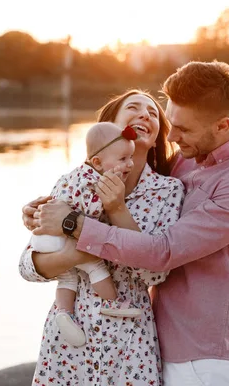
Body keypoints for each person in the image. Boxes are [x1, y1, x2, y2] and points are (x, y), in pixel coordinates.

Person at [24, 61, 229, 386]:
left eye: (183, 129)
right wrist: (42, 218)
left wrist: (73, 225)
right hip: (145, 338)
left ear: (222, 125)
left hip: (200, 353)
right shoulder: (187, 155)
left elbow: (163, 251)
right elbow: (31, 261)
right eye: (170, 123)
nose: (173, 137)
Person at [19, 90, 185, 385]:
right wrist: (77, 254)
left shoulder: (168, 191)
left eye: (153, 112)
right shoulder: (71, 182)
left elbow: (154, 273)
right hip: (70, 333)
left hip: (129, 339)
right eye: (133, 107)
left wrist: (117, 209)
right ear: (110, 126)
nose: (145, 114)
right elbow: (28, 267)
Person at [28, 122, 142, 347]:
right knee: (95, 265)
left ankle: (64, 312)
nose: (130, 163)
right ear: (97, 162)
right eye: (123, 159)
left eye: (131, 157)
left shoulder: (71, 175)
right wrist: (111, 208)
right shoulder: (95, 182)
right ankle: (111, 302)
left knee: (67, 276)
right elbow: (90, 216)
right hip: (60, 234)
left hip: (44, 238)